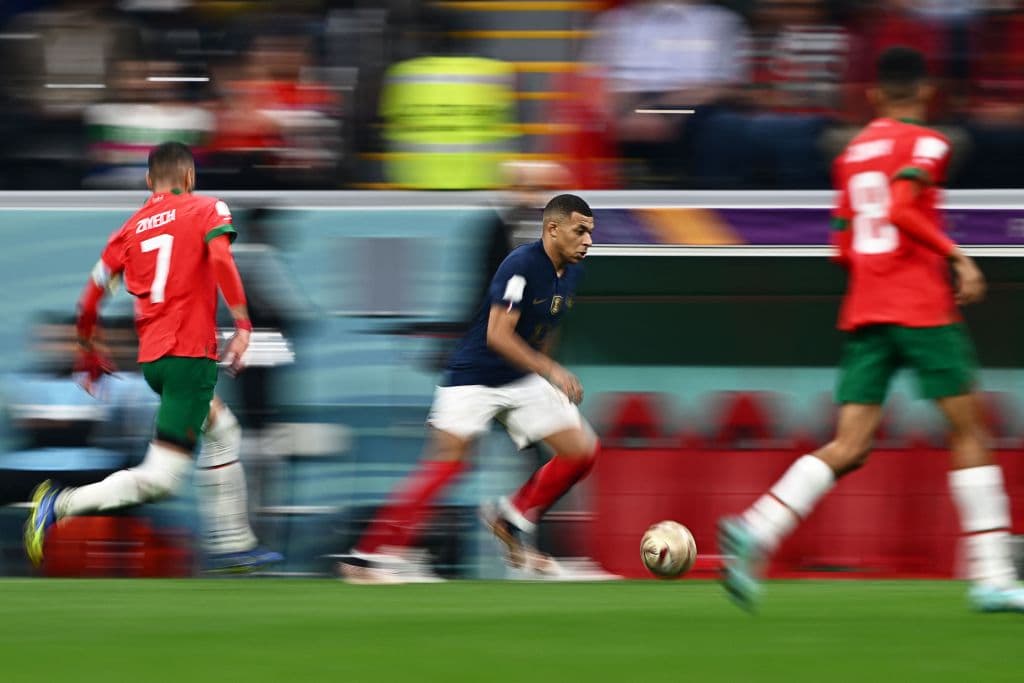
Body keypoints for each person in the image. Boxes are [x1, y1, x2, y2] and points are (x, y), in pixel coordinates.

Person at [718, 46, 1024, 613]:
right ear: (926, 91)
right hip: (921, 306)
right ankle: (993, 576)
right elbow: (906, 209)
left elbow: (840, 243)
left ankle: (756, 528)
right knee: (969, 430)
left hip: (867, 308)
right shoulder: (930, 144)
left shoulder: (852, 153)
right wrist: (958, 257)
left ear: (876, 94)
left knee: (850, 444)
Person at [24, 141, 281, 573]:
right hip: (188, 354)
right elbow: (220, 258)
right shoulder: (206, 209)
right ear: (190, 178)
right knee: (160, 479)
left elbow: (87, 302)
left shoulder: (128, 230)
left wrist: (87, 350)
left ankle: (235, 545)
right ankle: (59, 504)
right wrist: (243, 324)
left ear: (149, 181)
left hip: (156, 361)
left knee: (223, 431)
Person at [340, 194, 598, 584]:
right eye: (580, 231)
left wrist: (544, 375)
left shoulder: (573, 272)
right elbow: (498, 334)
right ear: (552, 229)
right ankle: (366, 560)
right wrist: (551, 369)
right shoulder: (520, 266)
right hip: (474, 376)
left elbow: (549, 326)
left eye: (590, 233)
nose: (588, 241)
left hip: (521, 378)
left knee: (581, 451)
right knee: (447, 465)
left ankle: (510, 520)